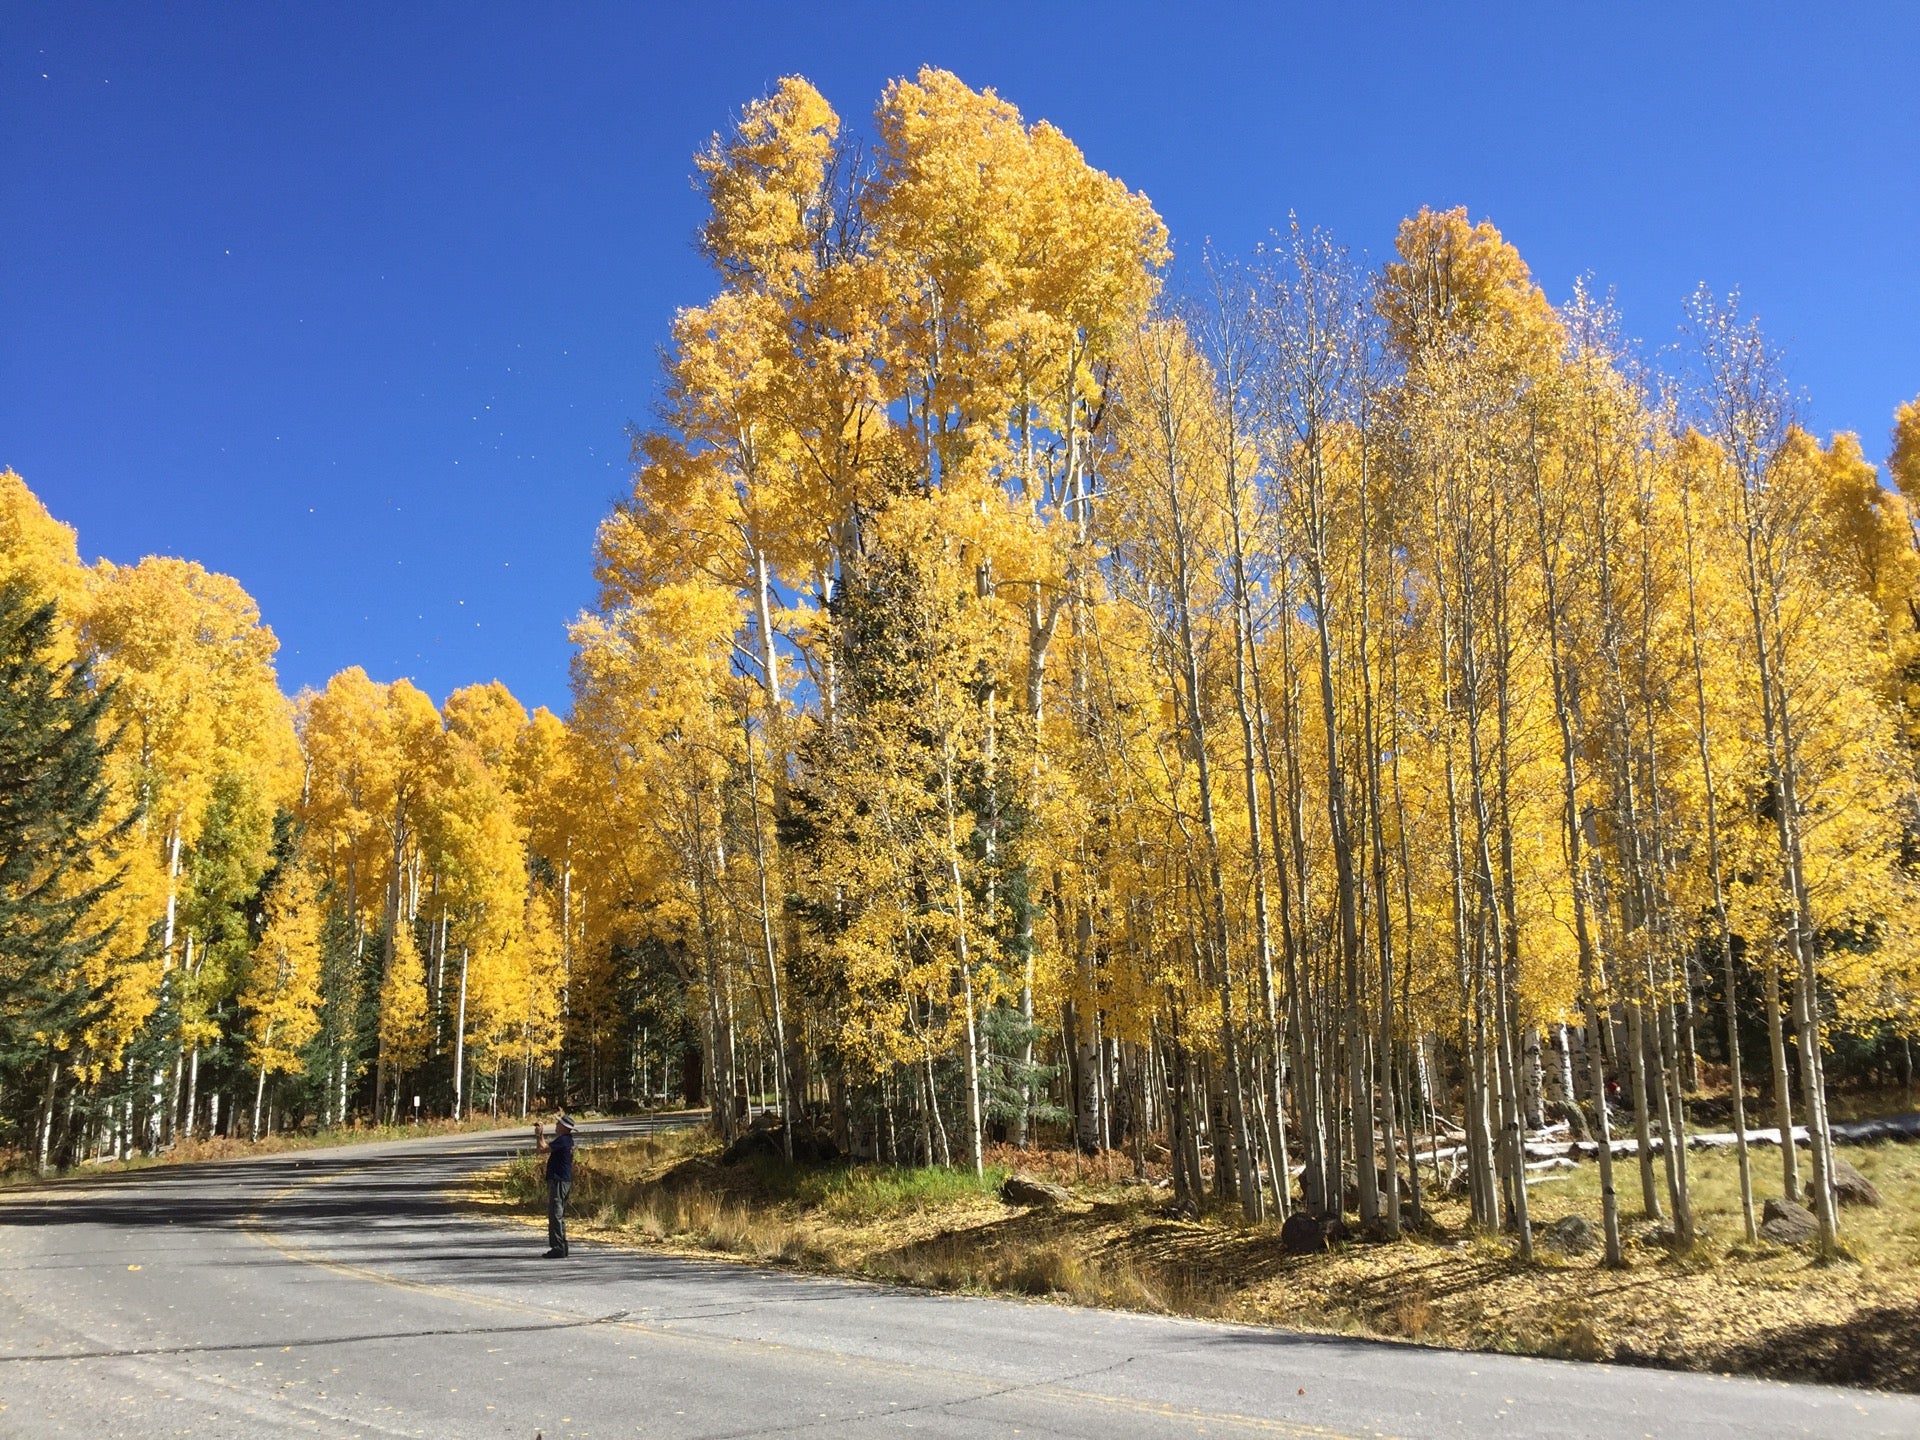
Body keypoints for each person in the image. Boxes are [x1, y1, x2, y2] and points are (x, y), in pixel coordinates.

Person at [534, 1113, 576, 1258]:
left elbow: (544, 1148)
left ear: (564, 1127)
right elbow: (541, 1150)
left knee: (555, 1214)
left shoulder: (564, 1140)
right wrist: (539, 1137)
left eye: (558, 1124)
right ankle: (562, 1246)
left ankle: (558, 1247)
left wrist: (540, 1135)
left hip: (560, 1180)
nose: (556, 1126)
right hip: (563, 1180)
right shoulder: (566, 1140)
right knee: (559, 1214)